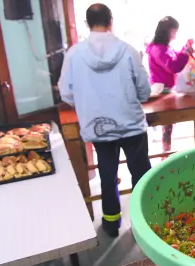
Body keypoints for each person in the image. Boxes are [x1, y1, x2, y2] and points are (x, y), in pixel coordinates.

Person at [59, 3, 152, 238]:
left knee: (107, 174)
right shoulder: (128, 50)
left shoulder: (75, 54)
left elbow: (66, 93)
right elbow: (144, 91)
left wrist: (88, 103)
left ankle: (111, 224)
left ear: (87, 24)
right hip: (131, 125)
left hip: (97, 127)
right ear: (111, 21)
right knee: (140, 172)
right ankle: (147, 222)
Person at [146, 16, 193, 156]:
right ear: (168, 31)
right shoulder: (158, 49)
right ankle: (165, 154)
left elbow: (173, 60)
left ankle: (166, 152)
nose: (175, 34)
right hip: (161, 90)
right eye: (174, 31)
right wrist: (185, 53)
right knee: (167, 123)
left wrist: (184, 51)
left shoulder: (162, 47)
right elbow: (173, 66)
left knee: (168, 125)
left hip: (165, 89)